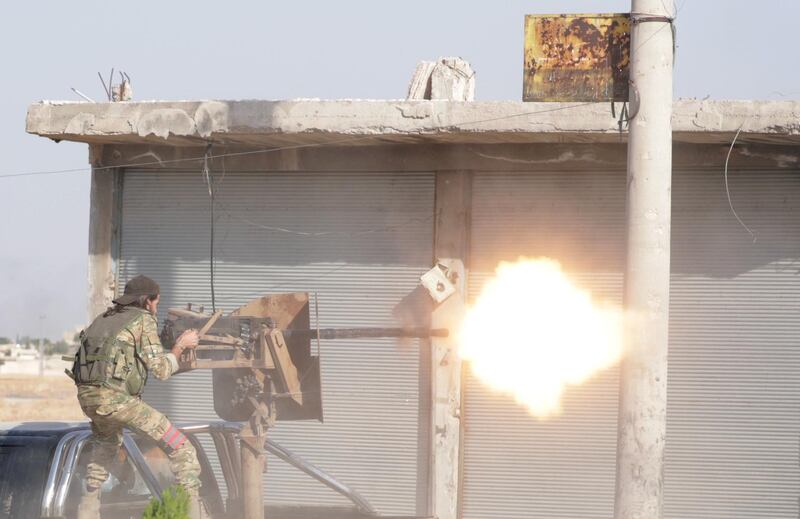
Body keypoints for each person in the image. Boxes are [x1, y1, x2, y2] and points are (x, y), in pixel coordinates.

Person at [68, 275, 204, 519]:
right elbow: (162, 369)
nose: (156, 308)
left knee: (104, 450)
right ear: (148, 301)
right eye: (156, 302)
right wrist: (182, 345)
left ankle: (87, 512)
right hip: (117, 401)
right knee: (181, 447)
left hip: (90, 399)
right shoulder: (143, 319)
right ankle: (194, 513)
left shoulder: (104, 319)